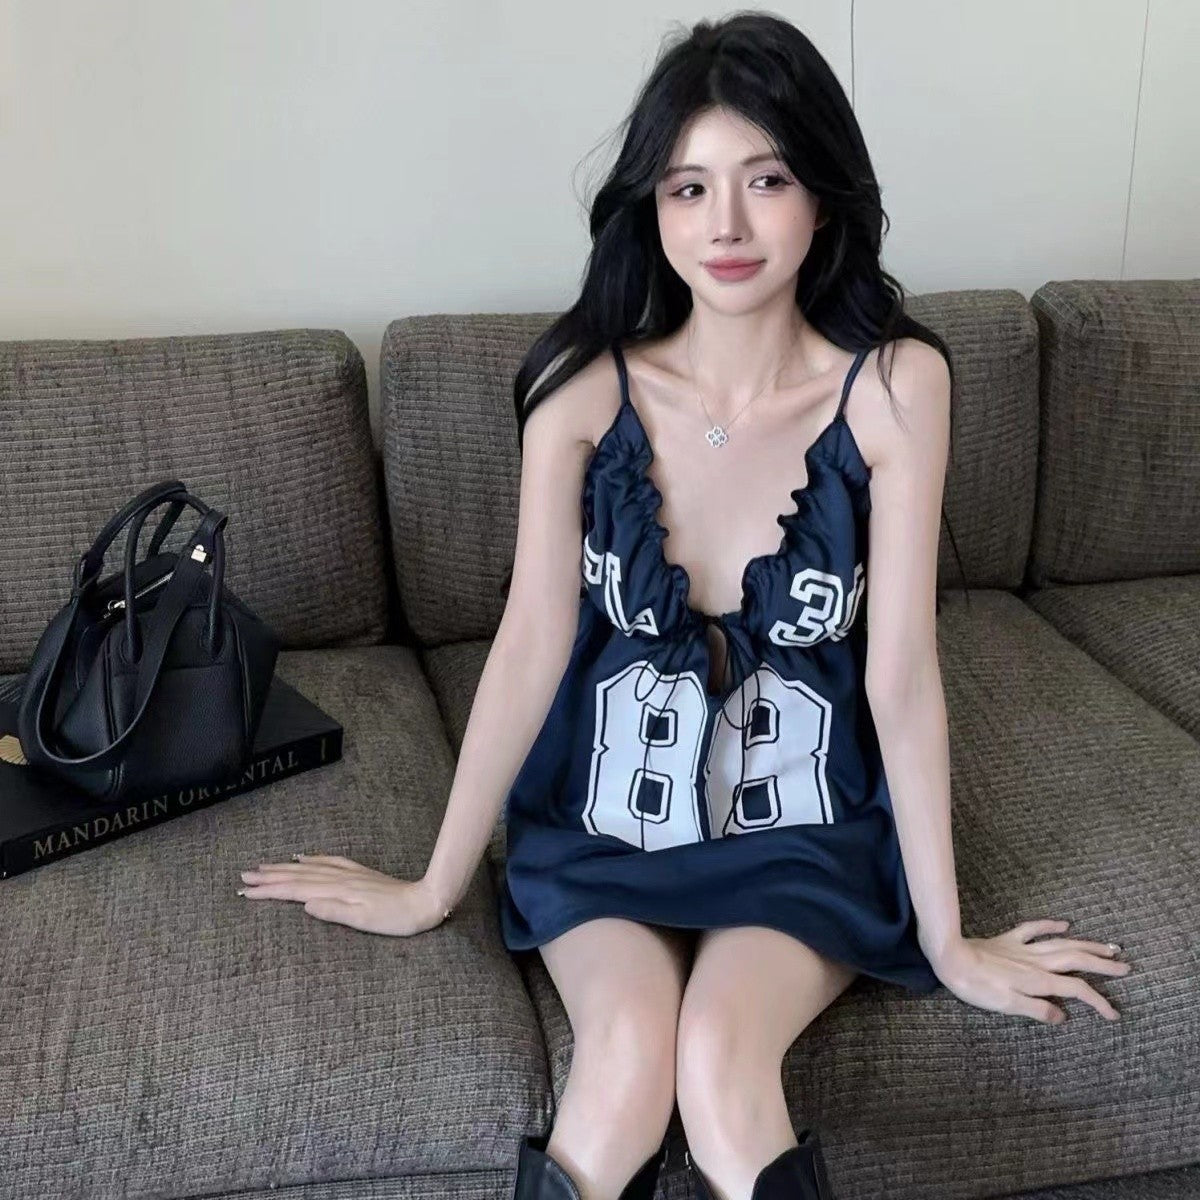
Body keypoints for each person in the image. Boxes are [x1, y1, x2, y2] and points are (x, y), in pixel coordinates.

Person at [237, 13, 1134, 1200]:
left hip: (803, 825)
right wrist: (432, 886)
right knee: (622, 1062)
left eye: (767, 180)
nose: (725, 226)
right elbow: (529, 645)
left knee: (719, 1058)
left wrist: (947, 937)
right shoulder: (579, 390)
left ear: (824, 198)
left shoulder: (896, 386)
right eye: (688, 187)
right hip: (605, 818)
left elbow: (903, 675)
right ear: (650, 208)